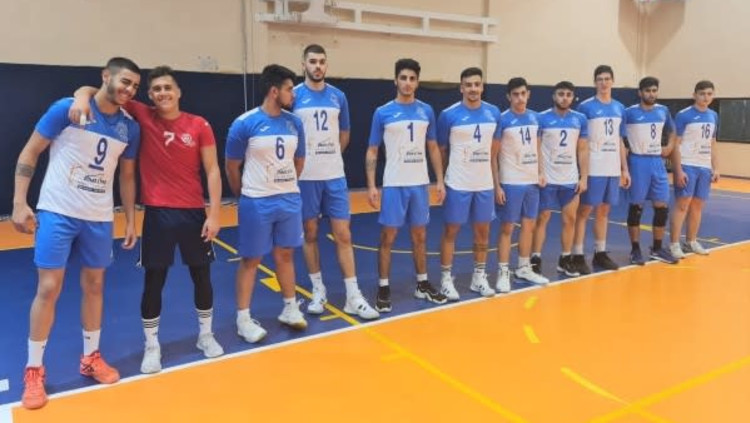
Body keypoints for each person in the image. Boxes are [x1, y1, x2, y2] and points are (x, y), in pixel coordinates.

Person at [69, 65, 225, 374]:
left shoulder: (199, 124)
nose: (162, 93)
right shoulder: (142, 115)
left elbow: (212, 170)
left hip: (194, 213)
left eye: (167, 87)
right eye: (156, 89)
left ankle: (205, 336)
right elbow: (99, 91)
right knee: (154, 281)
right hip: (157, 214)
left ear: (178, 92)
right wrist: (80, 98)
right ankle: (152, 346)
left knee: (202, 277)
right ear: (150, 96)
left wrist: (215, 213)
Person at [12, 57, 142, 410]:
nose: (130, 89)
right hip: (57, 210)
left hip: (98, 217)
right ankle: (34, 370)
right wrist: (19, 202)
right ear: (106, 76)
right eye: (125, 81)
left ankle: (90, 357)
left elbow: (127, 176)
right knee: (48, 288)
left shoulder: (129, 127)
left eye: (135, 85)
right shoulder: (67, 109)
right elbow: (31, 150)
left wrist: (130, 220)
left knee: (95, 286)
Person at [292, 44, 378, 319]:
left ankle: (353, 295)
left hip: (334, 175)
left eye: (321, 61)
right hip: (306, 178)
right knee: (310, 233)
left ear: (326, 65)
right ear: (303, 64)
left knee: (344, 234)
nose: (317, 66)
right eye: (312, 61)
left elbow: (345, 133)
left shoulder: (338, 96)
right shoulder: (294, 95)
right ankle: (318, 290)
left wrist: (330, 156)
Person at [225, 64, 307, 342]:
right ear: (274, 91)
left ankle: (290, 308)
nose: (293, 94)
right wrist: (246, 193)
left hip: (289, 199)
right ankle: (243, 319)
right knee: (251, 259)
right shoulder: (245, 123)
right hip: (256, 201)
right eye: (289, 89)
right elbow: (232, 166)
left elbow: (299, 161)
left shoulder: (295, 123)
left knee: (286, 254)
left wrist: (287, 186)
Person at [365, 58, 447, 312]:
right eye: (403, 78)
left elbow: (433, 147)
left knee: (420, 236)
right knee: (387, 237)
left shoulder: (426, 111)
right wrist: (371, 185)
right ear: (395, 80)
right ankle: (383, 286)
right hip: (394, 184)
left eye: (412, 79)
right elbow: (372, 150)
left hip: (419, 184)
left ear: (418, 82)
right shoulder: (383, 112)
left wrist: (439, 180)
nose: (408, 83)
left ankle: (422, 283)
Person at [437, 67, 500, 300]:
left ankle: (478, 276)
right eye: (468, 85)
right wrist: (443, 179)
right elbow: (441, 150)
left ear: (482, 87)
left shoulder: (494, 113)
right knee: (451, 231)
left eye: (477, 84)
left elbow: (494, 152)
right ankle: (445, 278)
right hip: (458, 183)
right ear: (461, 88)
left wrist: (495, 182)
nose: (473, 88)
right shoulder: (448, 115)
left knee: (483, 232)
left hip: (484, 184)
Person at [571, 65, 631, 275]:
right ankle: (577, 254)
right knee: (584, 211)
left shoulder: (620, 108)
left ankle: (600, 252)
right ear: (594, 82)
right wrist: (582, 172)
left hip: (612, 168)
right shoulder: (586, 107)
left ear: (613, 81)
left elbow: (620, 140)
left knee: (604, 211)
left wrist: (624, 169)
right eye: (600, 79)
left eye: (607, 79)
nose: (604, 83)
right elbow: (580, 141)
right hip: (594, 167)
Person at [494, 77, 550, 293]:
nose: (520, 98)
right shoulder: (502, 119)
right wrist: (497, 186)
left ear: (528, 94)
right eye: (515, 94)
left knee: (529, 225)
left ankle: (524, 267)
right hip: (511, 182)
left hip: (532, 182)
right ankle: (503, 271)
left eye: (523, 94)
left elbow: (538, 148)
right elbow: (493, 155)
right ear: (508, 96)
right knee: (507, 228)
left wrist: (541, 172)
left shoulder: (536, 118)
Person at [531, 81, 590, 277]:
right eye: (561, 94)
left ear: (573, 97)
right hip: (547, 179)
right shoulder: (541, 118)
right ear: (554, 96)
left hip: (570, 179)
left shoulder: (580, 119)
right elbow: (536, 148)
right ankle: (535, 259)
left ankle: (565, 259)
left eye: (568, 95)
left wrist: (584, 177)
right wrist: (539, 172)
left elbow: (583, 149)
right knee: (542, 218)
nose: (565, 98)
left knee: (570, 219)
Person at [623, 76, 679, 265]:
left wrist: (669, 146)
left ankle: (657, 248)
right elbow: (619, 136)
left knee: (662, 206)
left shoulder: (663, 110)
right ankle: (635, 250)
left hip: (657, 162)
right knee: (636, 206)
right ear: (640, 92)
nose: (651, 94)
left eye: (654, 90)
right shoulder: (629, 112)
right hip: (638, 161)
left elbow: (672, 131)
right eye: (647, 91)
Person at [669, 80, 719, 258]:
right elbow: (675, 144)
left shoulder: (713, 116)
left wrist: (716, 167)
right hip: (687, 164)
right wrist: (678, 169)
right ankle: (674, 244)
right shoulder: (684, 115)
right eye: (702, 94)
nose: (706, 97)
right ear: (694, 95)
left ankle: (691, 241)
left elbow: (712, 143)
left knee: (698, 205)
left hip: (704, 167)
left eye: (709, 94)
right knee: (683, 205)